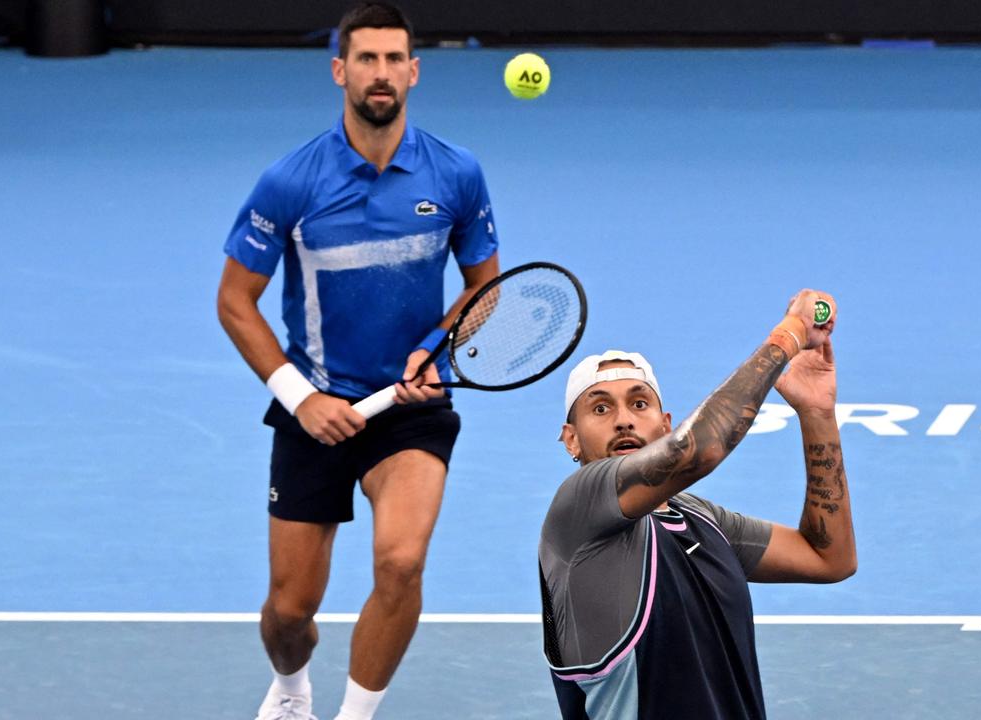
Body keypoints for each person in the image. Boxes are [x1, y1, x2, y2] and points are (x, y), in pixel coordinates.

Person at [216, 4, 500, 719]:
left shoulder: (457, 174)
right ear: (340, 70)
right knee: (288, 614)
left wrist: (437, 348)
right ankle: (290, 690)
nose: (380, 73)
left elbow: (484, 289)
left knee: (401, 563)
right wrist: (300, 398)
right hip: (314, 408)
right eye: (365, 59)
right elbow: (234, 302)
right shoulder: (290, 183)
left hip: (410, 408)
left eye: (392, 59)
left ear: (414, 71)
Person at [539, 289, 856, 719]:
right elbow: (697, 450)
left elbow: (829, 558)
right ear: (571, 439)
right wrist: (790, 334)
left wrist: (816, 413)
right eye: (600, 408)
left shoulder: (702, 520)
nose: (624, 419)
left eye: (639, 403)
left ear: (664, 424)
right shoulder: (578, 510)